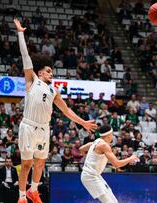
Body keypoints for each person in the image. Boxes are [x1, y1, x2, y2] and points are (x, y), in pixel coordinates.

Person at [14, 19, 97, 203]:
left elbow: (66, 111)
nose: (52, 74)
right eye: (49, 71)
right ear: (41, 72)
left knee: (41, 162)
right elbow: (25, 55)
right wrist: (20, 33)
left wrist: (83, 122)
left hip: (44, 128)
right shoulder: (32, 80)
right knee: (26, 164)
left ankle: (33, 191)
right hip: (28, 126)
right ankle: (21, 197)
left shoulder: (54, 91)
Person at [80, 125, 139, 203]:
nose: (113, 135)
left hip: (94, 175)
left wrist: (92, 160)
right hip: (90, 176)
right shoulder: (104, 145)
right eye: (112, 134)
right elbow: (117, 164)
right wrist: (130, 158)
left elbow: (81, 149)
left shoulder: (96, 141)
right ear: (108, 135)